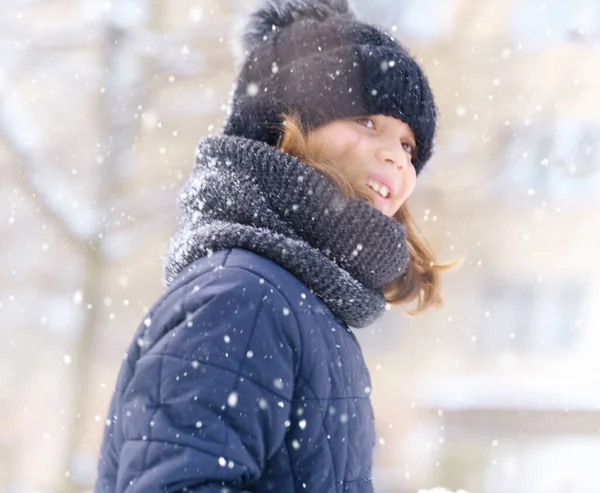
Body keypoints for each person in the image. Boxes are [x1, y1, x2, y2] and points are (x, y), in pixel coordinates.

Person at [95, 0, 453, 491]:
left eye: (410, 147)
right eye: (368, 122)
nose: (395, 156)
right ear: (283, 123)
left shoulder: (303, 305)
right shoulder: (244, 300)